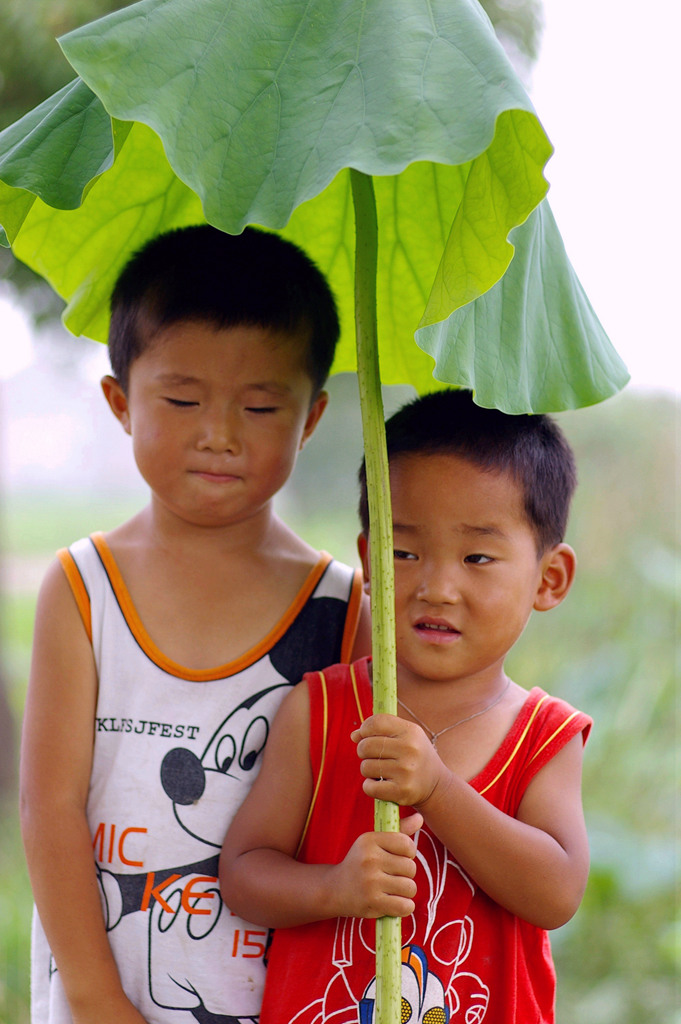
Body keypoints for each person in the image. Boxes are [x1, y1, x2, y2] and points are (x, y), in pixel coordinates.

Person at [20, 225, 371, 1024]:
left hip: (276, 1003)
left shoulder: (345, 610)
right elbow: (50, 811)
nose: (219, 433)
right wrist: (100, 1001)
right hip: (100, 1000)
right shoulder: (83, 589)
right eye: (182, 400)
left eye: (259, 405)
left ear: (311, 417)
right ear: (120, 401)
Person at [220, 389, 593, 1024]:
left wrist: (438, 789)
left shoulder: (544, 736)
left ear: (548, 579)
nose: (436, 586)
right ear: (368, 561)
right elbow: (244, 874)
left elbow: (556, 893)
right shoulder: (324, 710)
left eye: (477, 557)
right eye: (404, 551)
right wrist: (333, 888)